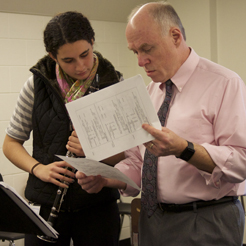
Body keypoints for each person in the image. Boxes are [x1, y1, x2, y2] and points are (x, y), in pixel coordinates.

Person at [75, 2, 246, 246]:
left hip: (205, 220)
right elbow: (139, 162)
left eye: (147, 49)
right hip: (152, 220)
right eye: (135, 52)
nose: (140, 61)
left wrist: (183, 149)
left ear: (175, 36)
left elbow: (241, 162)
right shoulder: (148, 92)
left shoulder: (225, 83)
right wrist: (106, 179)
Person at [2, 11, 124, 246]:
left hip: (97, 205)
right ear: (52, 56)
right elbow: (10, 144)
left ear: (92, 42)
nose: (80, 67)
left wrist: (93, 150)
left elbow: (127, 155)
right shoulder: (36, 84)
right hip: (47, 204)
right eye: (68, 60)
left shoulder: (114, 84)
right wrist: (38, 169)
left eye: (85, 55)